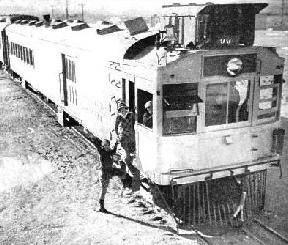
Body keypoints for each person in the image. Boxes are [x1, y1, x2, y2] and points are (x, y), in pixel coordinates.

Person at [92, 137, 125, 213]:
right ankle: (101, 207)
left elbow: (114, 150)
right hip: (104, 173)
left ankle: (101, 206)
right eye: (105, 145)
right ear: (103, 146)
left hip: (108, 172)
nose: (107, 147)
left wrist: (116, 143)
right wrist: (95, 141)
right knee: (103, 190)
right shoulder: (102, 152)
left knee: (104, 189)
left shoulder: (110, 152)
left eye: (108, 145)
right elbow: (98, 147)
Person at [115, 101, 140, 193]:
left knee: (133, 154)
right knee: (126, 157)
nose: (123, 111)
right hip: (124, 138)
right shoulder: (118, 117)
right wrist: (119, 135)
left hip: (131, 137)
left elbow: (136, 122)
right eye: (121, 110)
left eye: (124, 109)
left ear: (126, 109)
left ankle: (133, 176)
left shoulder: (131, 115)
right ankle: (130, 173)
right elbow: (116, 128)